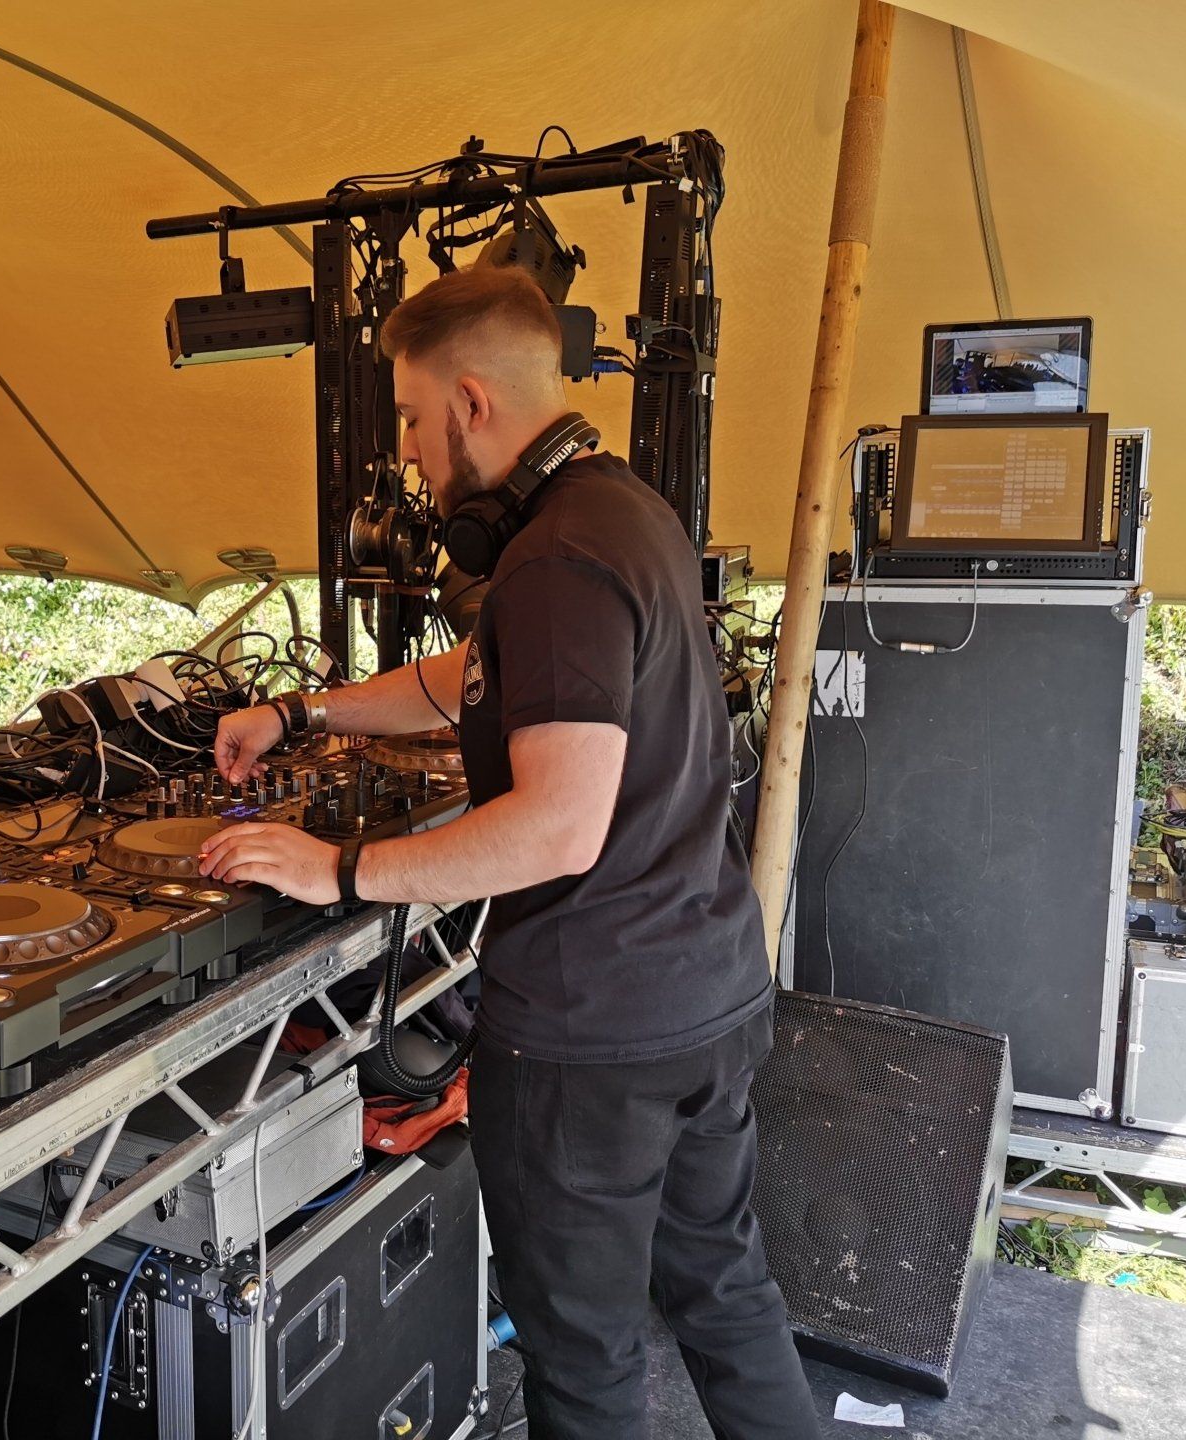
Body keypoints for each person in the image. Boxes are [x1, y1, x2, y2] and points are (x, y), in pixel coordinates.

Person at [198, 265, 818, 1439]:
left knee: (582, 1368)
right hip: (711, 995)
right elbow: (465, 679)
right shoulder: (623, 514)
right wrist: (303, 715)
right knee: (725, 1298)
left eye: (420, 427)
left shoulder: (550, 564)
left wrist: (336, 871)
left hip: (595, 1042)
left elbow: (556, 825)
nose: (420, 465)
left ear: (473, 403)